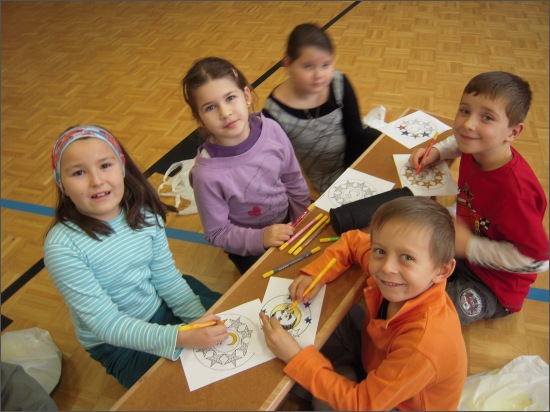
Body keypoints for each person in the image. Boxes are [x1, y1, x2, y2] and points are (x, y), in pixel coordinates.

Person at [43, 125, 228, 388]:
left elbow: (167, 278)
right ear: (61, 184)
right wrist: (179, 337)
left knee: (229, 323)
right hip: (115, 343)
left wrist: (197, 321)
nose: (96, 181)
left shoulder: (145, 214)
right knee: (176, 392)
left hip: (158, 304)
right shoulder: (62, 247)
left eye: (105, 165)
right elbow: (107, 325)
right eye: (79, 172)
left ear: (122, 167)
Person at [260, 196, 467, 410]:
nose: (386, 267)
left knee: (324, 403)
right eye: (380, 251)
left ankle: (321, 377)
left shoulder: (423, 345)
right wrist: (317, 274)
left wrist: (295, 357)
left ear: (441, 270)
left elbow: (362, 404)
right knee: (327, 313)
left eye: (407, 257)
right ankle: (330, 374)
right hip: (375, 357)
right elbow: (352, 242)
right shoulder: (398, 275)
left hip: (398, 404)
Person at [409, 71, 549, 324]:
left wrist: (470, 247)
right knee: (406, 266)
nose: (468, 124)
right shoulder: (477, 146)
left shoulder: (516, 193)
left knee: (428, 315)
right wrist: (438, 152)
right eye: (464, 111)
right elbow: (458, 142)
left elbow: (537, 261)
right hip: (462, 249)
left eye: (487, 117)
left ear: (513, 132)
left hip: (494, 285)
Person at [182, 57, 311, 275]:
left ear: (247, 96)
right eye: (210, 107)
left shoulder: (272, 129)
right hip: (248, 246)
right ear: (200, 119)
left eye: (230, 98)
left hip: (290, 218)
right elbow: (217, 232)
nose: (225, 113)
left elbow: (294, 181)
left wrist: (300, 222)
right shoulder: (206, 174)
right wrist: (261, 238)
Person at [262, 23, 384, 196]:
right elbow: (279, 165)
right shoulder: (274, 113)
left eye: (326, 65)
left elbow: (355, 132)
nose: (319, 75)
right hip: (328, 174)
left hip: (355, 150)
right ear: (288, 64)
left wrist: (361, 169)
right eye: (308, 66)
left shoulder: (338, 82)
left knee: (399, 161)